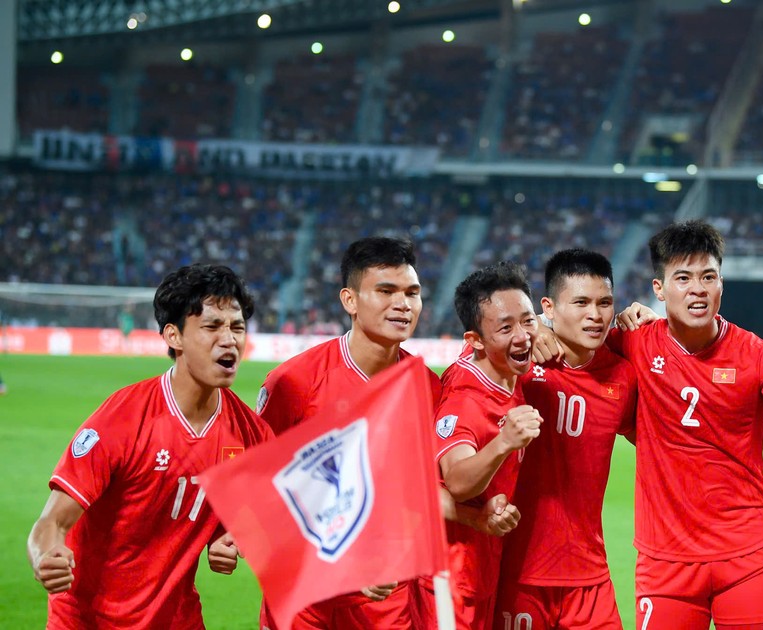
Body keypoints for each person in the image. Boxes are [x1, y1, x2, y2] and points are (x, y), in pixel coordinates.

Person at [606, 220, 763, 629]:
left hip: (746, 556)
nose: (697, 289)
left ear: (721, 284)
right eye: (683, 278)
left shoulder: (755, 355)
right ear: (658, 289)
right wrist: (543, 328)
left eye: (708, 276)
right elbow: (573, 341)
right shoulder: (634, 343)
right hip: (665, 562)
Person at [27, 264, 272, 629]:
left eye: (237, 327)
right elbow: (51, 522)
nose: (229, 339)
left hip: (177, 618)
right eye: (212, 326)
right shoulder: (123, 418)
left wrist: (229, 538)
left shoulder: (251, 434)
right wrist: (46, 555)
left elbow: (258, 517)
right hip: (89, 619)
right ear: (174, 336)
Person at [255, 236, 456, 629]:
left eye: (412, 293)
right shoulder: (294, 382)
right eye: (386, 291)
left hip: (389, 602)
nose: (403, 304)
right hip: (307, 599)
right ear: (349, 300)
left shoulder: (428, 390)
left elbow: (431, 495)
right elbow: (260, 489)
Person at [494, 249, 638, 629]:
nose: (595, 315)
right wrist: (532, 327)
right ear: (549, 307)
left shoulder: (623, 376)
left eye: (605, 303)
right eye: (581, 303)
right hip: (518, 572)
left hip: (590, 578)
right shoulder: (516, 365)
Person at [420, 261, 544, 629]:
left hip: (481, 564)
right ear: (475, 341)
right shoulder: (465, 400)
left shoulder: (502, 365)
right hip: (451, 577)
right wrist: (504, 441)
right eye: (506, 328)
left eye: (527, 320)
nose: (522, 336)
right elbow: (456, 480)